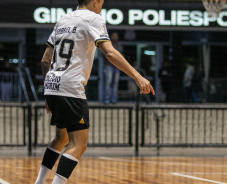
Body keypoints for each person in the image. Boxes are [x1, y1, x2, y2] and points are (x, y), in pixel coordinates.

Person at [34, 0, 155, 184]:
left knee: (62, 137)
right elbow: (109, 53)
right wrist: (137, 76)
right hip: (71, 86)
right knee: (79, 144)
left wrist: (49, 92)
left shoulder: (63, 19)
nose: (102, 4)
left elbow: (45, 61)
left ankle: (39, 182)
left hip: (52, 84)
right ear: (94, 1)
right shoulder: (94, 18)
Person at [103, 32, 123, 104]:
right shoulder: (108, 44)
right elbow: (106, 54)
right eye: (113, 36)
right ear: (111, 37)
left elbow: (121, 56)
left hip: (117, 66)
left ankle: (114, 99)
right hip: (108, 66)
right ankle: (107, 99)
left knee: (115, 84)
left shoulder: (119, 45)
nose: (115, 37)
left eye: (116, 36)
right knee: (108, 82)